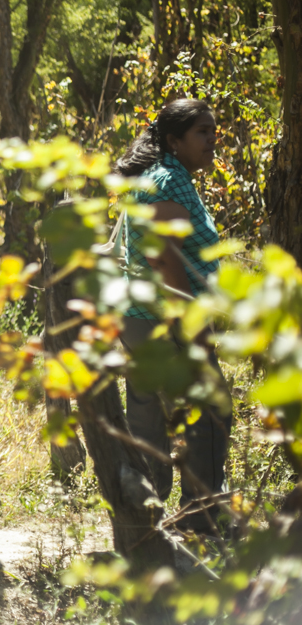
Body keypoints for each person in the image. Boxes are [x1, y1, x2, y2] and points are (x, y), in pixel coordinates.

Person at [116, 98, 230, 534]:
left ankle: (144, 519)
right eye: (202, 132)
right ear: (173, 140)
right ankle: (202, 520)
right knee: (211, 414)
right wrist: (195, 327)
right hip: (167, 318)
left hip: (139, 318)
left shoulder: (158, 176)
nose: (212, 140)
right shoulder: (171, 180)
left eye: (212, 130)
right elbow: (166, 257)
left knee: (148, 418)